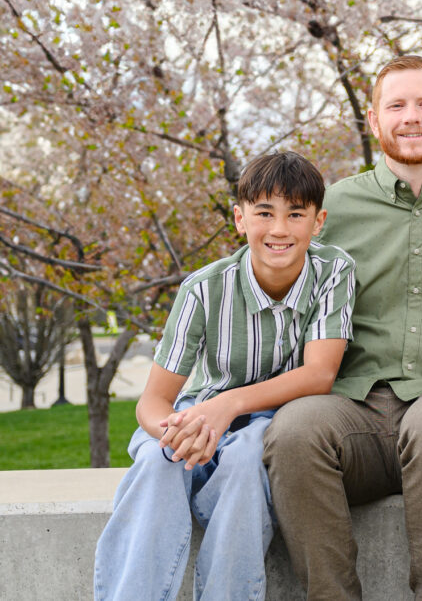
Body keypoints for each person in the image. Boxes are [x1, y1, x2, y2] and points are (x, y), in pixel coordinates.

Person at [262, 55, 422, 600]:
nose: (412, 117)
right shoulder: (332, 209)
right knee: (293, 430)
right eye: (396, 105)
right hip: (354, 405)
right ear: (374, 121)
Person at [94, 151, 355, 600]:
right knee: (159, 461)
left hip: (276, 421)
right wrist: (180, 431)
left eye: (296, 214)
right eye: (264, 213)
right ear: (239, 219)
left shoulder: (333, 272)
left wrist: (229, 405)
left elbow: (320, 373)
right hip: (198, 413)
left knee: (246, 457)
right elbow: (153, 402)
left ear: (318, 222)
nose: (279, 229)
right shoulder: (203, 288)